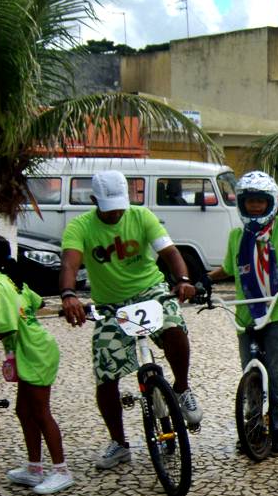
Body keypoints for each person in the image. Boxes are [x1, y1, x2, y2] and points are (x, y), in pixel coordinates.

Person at [60, 170, 201, 470]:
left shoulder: (141, 216)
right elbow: (70, 262)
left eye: (119, 206)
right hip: (111, 304)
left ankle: (182, 388)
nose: (115, 213)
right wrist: (69, 294)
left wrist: (184, 279)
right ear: (94, 200)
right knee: (105, 372)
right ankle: (119, 443)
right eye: (109, 207)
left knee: (175, 327)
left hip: (150, 291)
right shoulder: (80, 226)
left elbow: (170, 251)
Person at [206, 169, 278, 456]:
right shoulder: (236, 236)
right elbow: (227, 268)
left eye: (260, 201)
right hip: (245, 317)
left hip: (276, 316)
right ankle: (252, 429)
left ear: (270, 203)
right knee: (250, 373)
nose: (254, 206)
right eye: (249, 201)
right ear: (242, 203)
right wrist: (205, 279)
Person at [0, 236, 72, 494]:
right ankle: (34, 468)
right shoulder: (13, 281)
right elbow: (37, 303)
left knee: (40, 413)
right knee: (24, 411)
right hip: (33, 349)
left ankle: (61, 471)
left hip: (35, 352)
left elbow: (5, 325)